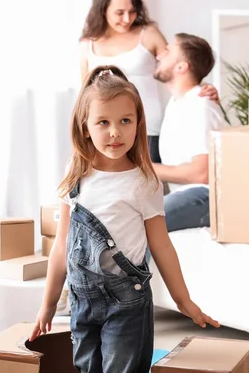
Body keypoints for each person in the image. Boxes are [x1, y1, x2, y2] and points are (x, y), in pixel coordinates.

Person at [29, 65, 219, 373]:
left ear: (137, 124)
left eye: (125, 121)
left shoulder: (144, 181)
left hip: (127, 304)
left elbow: (161, 245)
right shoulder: (75, 175)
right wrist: (48, 304)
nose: (115, 131)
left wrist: (183, 300)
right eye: (103, 122)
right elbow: (61, 247)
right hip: (82, 301)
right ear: (85, 127)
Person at [78, 0, 219, 164]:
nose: (127, 19)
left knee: (146, 187)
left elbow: (178, 65)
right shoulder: (88, 45)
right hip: (104, 133)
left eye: (132, 11)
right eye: (119, 13)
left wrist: (203, 88)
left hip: (148, 129)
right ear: (103, 10)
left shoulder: (148, 34)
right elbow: (85, 92)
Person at [153, 33, 226, 232]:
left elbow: (202, 173)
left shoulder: (201, 106)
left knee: (144, 223)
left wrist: (147, 168)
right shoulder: (177, 103)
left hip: (206, 196)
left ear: (181, 66)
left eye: (167, 51)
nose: (159, 56)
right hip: (190, 194)